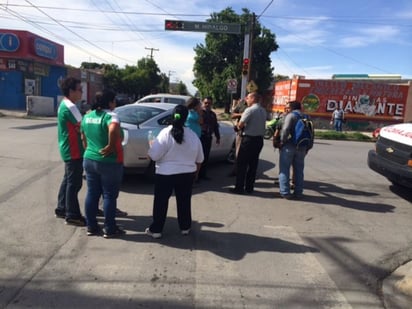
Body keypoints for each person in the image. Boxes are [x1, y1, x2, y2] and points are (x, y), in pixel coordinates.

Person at [146, 105, 204, 239]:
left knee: (161, 202)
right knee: (184, 201)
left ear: (172, 116)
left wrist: (151, 145)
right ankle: (185, 227)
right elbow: (200, 158)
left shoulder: (165, 133)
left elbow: (154, 156)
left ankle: (156, 229)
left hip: (165, 174)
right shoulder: (193, 135)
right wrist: (196, 174)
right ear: (186, 118)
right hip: (187, 174)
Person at [80, 89, 125, 238]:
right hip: (109, 161)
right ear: (110, 102)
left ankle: (91, 226)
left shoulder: (88, 116)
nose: (115, 103)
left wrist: (88, 148)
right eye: (114, 100)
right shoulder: (111, 115)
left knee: (92, 193)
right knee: (109, 195)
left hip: (89, 159)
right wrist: (111, 146)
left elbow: (82, 135)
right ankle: (109, 228)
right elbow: (113, 129)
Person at [54, 77, 86, 226]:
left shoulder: (65, 104)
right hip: (74, 149)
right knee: (74, 183)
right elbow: (83, 126)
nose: (82, 92)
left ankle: (62, 208)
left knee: (67, 180)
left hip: (67, 148)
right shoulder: (71, 107)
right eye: (80, 89)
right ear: (71, 91)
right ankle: (72, 214)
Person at [230, 92, 266, 194]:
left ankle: (239, 188)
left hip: (248, 140)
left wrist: (237, 127)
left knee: (242, 164)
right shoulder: (263, 110)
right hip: (259, 140)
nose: (246, 100)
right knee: (253, 165)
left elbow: (241, 124)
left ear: (253, 99)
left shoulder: (249, 110)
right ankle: (249, 187)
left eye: (248, 98)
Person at [278, 101, 311, 200]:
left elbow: (285, 130)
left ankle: (285, 192)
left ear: (292, 108)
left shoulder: (291, 116)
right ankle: (298, 192)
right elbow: (311, 132)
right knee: (299, 170)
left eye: (287, 107)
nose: (286, 109)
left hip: (290, 146)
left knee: (284, 169)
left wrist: (282, 142)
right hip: (302, 146)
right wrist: (308, 147)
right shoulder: (307, 116)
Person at [199, 96, 220, 180]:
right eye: (206, 103)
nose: (207, 105)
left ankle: (203, 175)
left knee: (206, 157)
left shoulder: (212, 114)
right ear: (202, 103)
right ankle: (196, 176)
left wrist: (218, 137)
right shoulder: (200, 113)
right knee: (199, 157)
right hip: (201, 137)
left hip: (208, 137)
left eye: (209, 103)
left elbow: (215, 126)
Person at [229, 98, 247, 176]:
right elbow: (232, 115)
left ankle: (245, 172)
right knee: (238, 153)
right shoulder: (241, 104)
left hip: (252, 135)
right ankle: (235, 171)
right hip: (241, 132)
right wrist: (241, 114)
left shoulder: (256, 107)